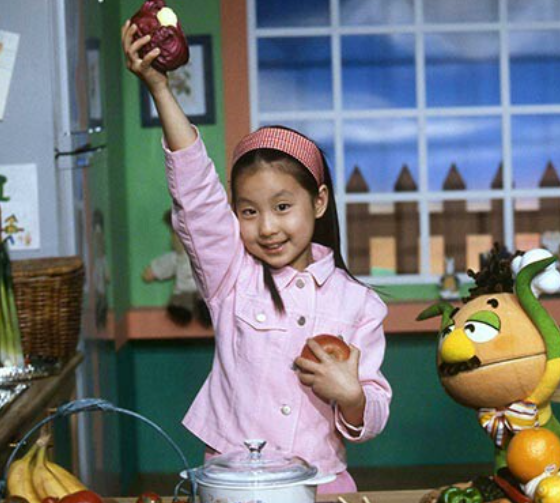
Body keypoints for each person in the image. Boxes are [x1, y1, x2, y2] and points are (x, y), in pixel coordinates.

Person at [122, 21, 392, 494]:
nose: (266, 227)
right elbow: (196, 192)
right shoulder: (230, 275)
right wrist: (160, 88)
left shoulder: (359, 304)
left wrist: (352, 396)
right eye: (248, 211)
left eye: (283, 207)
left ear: (319, 202)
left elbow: (373, 409)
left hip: (323, 482)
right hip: (233, 484)